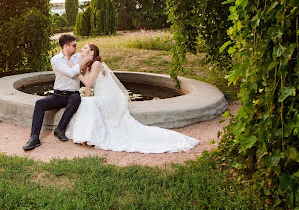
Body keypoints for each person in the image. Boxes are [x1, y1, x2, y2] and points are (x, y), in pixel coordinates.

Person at [65, 43, 199, 153]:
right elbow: (87, 86)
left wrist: (76, 73)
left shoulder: (96, 64)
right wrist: (86, 96)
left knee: (88, 103)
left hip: (108, 98)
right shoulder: (87, 64)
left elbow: (88, 83)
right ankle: (87, 136)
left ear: (92, 53)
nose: (81, 49)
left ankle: (90, 137)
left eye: (85, 48)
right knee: (87, 103)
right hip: (100, 96)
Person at [23, 34, 92, 151]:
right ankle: (34, 138)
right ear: (66, 46)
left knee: (76, 98)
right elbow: (70, 73)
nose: (76, 47)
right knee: (39, 103)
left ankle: (60, 129)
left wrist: (95, 62)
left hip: (73, 94)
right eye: (74, 45)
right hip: (58, 95)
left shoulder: (78, 57)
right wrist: (82, 62)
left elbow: (92, 55)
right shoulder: (55, 60)